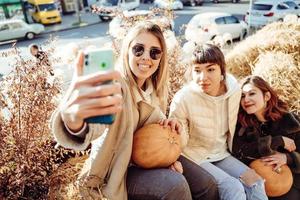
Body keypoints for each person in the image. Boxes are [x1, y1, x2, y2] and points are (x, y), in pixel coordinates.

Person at [51, 22, 218, 200]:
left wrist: (174, 130)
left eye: (154, 53)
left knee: (207, 184)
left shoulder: (153, 92)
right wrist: (75, 121)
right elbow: (94, 126)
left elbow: (154, 142)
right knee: (175, 185)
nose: (146, 57)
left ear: (161, 58)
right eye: (139, 49)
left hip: (142, 162)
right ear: (127, 51)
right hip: (115, 173)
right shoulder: (116, 86)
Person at [168, 43, 268, 200]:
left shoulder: (234, 90)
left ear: (222, 70)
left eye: (210, 69)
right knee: (232, 187)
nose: (203, 77)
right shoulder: (183, 98)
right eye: (197, 70)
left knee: (256, 182)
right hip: (194, 155)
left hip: (221, 152)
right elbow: (176, 140)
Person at [233, 75, 300, 200]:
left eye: (251, 94)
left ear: (267, 96)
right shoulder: (243, 126)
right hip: (258, 186)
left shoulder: (290, 122)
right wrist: (276, 141)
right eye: (243, 96)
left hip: (292, 183)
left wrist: (288, 158)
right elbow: (239, 152)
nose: (246, 99)